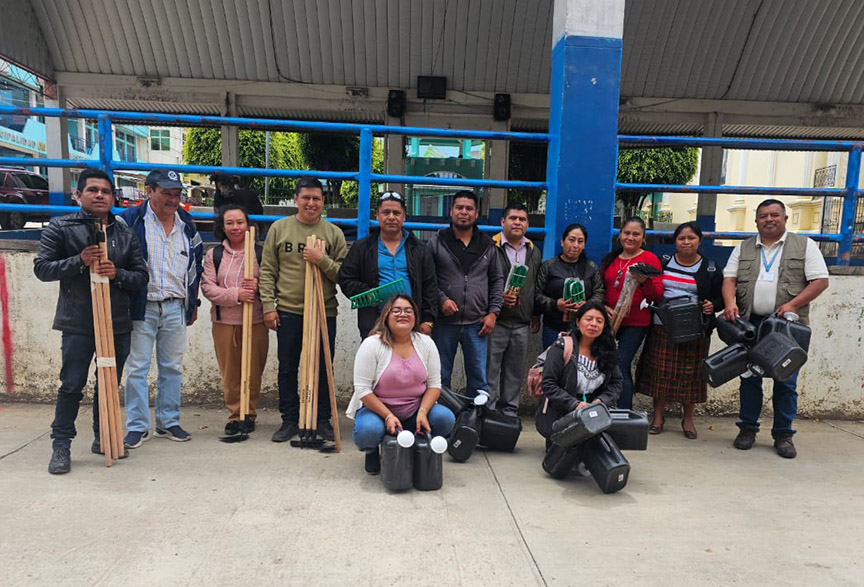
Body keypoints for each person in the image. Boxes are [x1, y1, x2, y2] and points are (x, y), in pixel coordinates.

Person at [34, 169, 149, 474]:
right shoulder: (61, 227)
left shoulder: (124, 232)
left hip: (116, 321)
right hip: (78, 322)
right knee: (72, 385)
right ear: (78, 195)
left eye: (106, 191)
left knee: (108, 382)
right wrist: (79, 261)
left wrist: (117, 274)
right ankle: (61, 445)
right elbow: (42, 269)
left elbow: (141, 276)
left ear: (113, 197)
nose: (100, 195)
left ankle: (104, 436)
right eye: (93, 190)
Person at [722, 199, 829, 458]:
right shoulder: (744, 247)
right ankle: (747, 429)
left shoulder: (804, 245)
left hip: (787, 327)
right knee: (749, 378)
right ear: (756, 221)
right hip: (752, 324)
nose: (768, 219)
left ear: (785, 218)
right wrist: (729, 303)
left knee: (786, 381)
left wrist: (792, 304)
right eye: (763, 216)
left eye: (774, 215)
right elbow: (729, 278)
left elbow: (820, 281)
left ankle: (783, 435)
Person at [117, 168, 204, 448]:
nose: (173, 199)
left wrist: (193, 303)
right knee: (137, 368)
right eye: (166, 192)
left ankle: (168, 422)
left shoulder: (187, 225)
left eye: (177, 194)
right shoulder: (129, 221)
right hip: (141, 307)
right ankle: (137, 426)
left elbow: (196, 267)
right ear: (149, 191)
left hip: (175, 307)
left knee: (172, 368)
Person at [259, 176, 348, 443]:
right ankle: (290, 420)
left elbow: (343, 275)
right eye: (306, 198)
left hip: (323, 311)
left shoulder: (334, 233)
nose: (311, 203)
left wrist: (322, 260)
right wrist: (268, 306)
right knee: (287, 368)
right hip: (288, 310)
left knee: (323, 368)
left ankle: (321, 420)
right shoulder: (279, 228)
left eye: (316, 198)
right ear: (296, 199)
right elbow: (267, 271)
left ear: (323, 201)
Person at [347, 295, 455, 475]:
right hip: (378, 411)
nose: (402, 314)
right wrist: (388, 415)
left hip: (415, 409)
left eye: (408, 310)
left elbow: (435, 384)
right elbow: (363, 390)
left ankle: (415, 445)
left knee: (445, 418)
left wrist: (423, 411)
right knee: (368, 431)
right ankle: (372, 450)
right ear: (386, 316)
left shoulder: (426, 343)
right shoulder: (372, 344)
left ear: (415, 317)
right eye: (396, 310)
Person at [635, 222, 724, 439]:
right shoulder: (663, 262)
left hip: (694, 331)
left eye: (691, 238)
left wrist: (712, 306)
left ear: (699, 241)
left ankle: (688, 420)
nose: (686, 242)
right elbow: (652, 289)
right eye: (681, 238)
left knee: (691, 376)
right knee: (660, 374)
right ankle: (658, 417)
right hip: (662, 327)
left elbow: (721, 299)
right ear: (675, 241)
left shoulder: (710, 268)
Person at [201, 205, 268, 436]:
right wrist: (236, 294)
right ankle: (235, 414)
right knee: (230, 372)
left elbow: (271, 283)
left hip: (255, 321)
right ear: (222, 226)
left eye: (240, 222)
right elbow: (208, 288)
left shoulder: (260, 253)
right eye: (229, 223)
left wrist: (257, 287)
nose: (235, 227)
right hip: (225, 323)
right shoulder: (214, 255)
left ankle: (249, 413)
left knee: (253, 371)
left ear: (248, 225)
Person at [427, 190, 504, 395]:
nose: (464, 212)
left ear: (476, 213)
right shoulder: (437, 241)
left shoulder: (488, 245)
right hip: (444, 322)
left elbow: (497, 280)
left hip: (478, 323)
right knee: (440, 376)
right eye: (459, 207)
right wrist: (441, 300)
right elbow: (427, 278)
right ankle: (441, 414)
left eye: (469, 208)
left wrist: (493, 313)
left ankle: (475, 415)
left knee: (478, 379)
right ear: (451, 211)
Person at [338, 191, 438, 338]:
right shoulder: (362, 248)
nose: (391, 217)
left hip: (411, 324)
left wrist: (428, 320)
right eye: (386, 212)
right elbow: (345, 278)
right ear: (377, 216)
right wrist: (367, 293)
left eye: (396, 213)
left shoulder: (419, 249)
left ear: (404, 216)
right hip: (374, 325)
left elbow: (430, 286)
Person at [600, 217, 663, 409]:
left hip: (635, 323)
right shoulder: (610, 259)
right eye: (627, 233)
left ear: (643, 238)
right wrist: (602, 307)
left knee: (621, 364)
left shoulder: (650, 259)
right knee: (603, 363)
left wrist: (644, 281)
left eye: (636, 234)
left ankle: (624, 412)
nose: (630, 237)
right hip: (608, 320)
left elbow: (657, 295)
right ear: (619, 235)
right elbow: (600, 288)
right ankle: (602, 408)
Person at [535, 301, 622, 441]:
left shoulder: (608, 349)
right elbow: (548, 384)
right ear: (577, 322)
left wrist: (601, 401)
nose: (593, 324)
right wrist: (575, 404)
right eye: (588, 319)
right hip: (563, 414)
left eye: (599, 321)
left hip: (595, 413)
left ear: (604, 326)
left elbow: (616, 383)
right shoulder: (562, 347)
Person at [486, 203, 542, 416]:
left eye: (522, 219)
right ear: (503, 222)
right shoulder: (490, 247)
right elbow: (481, 282)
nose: (517, 222)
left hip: (521, 323)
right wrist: (496, 300)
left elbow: (535, 285)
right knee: (490, 371)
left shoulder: (533, 251)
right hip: (496, 321)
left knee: (514, 373)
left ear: (527, 224)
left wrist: (535, 313)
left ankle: (509, 414)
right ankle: (488, 414)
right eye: (513, 218)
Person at [535, 223, 605, 350]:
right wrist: (555, 304)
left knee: (579, 361)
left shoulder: (591, 267)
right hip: (553, 327)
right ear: (562, 242)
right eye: (571, 240)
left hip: (584, 329)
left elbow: (599, 291)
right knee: (552, 360)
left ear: (584, 245)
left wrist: (587, 305)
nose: (575, 245)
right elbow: (536, 294)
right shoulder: (548, 266)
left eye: (580, 241)